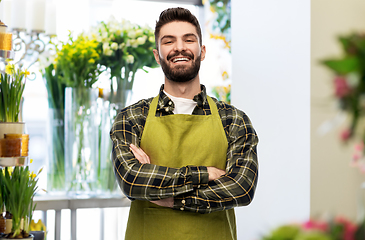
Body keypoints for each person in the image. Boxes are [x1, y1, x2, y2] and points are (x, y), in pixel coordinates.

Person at [110, 7, 258, 240]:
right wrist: (205, 174)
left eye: (189, 40)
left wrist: (168, 198)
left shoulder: (234, 119)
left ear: (202, 51)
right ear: (157, 55)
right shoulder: (132, 117)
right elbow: (132, 180)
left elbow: (241, 188)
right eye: (169, 41)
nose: (180, 47)